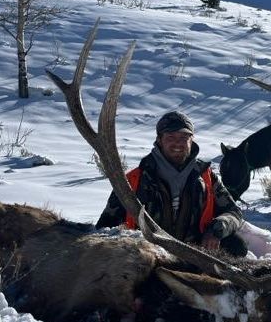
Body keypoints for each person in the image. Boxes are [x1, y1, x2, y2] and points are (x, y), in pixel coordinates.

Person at [96, 110, 248, 257]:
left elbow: (234, 213)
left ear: (191, 140)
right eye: (170, 137)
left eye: (183, 137)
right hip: (146, 253)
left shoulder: (206, 176)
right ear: (159, 140)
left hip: (195, 252)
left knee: (235, 246)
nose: (177, 143)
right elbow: (105, 226)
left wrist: (216, 230)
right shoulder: (133, 180)